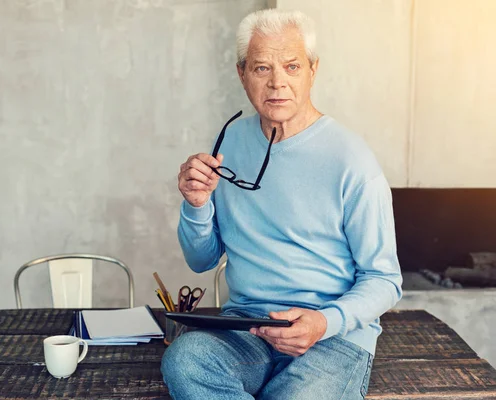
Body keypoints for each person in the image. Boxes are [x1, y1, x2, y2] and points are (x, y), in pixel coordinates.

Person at [162, 8, 402, 400]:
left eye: (291, 67)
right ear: (242, 74)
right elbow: (201, 260)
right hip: (248, 328)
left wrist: (324, 322)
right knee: (185, 360)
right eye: (261, 69)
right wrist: (197, 205)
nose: (278, 83)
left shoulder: (352, 161)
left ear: (312, 70)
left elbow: (385, 280)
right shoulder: (230, 144)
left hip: (332, 336)